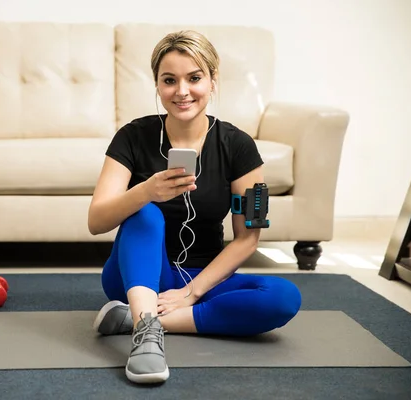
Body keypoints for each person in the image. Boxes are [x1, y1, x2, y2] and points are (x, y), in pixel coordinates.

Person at [87, 30, 302, 384]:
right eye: (169, 80)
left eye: (194, 78)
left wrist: (192, 292)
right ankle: (146, 336)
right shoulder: (132, 136)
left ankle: (143, 320)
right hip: (136, 278)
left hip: (203, 276)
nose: (182, 91)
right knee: (144, 212)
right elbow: (96, 221)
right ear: (157, 85)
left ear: (213, 81)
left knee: (282, 298)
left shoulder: (238, 146)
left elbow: (248, 238)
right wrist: (145, 191)